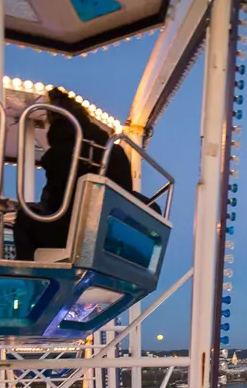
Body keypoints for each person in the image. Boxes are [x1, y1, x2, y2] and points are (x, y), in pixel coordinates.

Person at [14, 89, 154, 260]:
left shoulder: (61, 153)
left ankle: (25, 274)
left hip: (75, 234)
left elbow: (55, 201)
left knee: (26, 218)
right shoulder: (113, 150)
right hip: (110, 234)